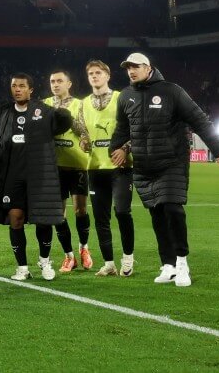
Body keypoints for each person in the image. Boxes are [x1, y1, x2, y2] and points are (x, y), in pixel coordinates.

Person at [110, 53, 219, 287]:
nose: (131, 71)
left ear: (148, 68)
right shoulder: (126, 96)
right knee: (156, 214)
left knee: (173, 209)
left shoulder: (171, 91)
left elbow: (199, 121)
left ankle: (182, 262)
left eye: (136, 67)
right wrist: (116, 150)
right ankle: (168, 265)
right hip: (144, 166)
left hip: (171, 162)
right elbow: (121, 130)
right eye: (128, 68)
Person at [0, 74, 72, 281]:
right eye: (14, 86)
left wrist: (63, 114)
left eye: (22, 86)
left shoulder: (42, 111)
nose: (17, 89)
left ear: (31, 89)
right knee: (15, 219)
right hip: (12, 176)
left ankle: (45, 262)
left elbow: (62, 123)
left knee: (43, 221)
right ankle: (22, 267)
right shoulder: (3, 112)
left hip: (39, 174)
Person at [80, 60, 135, 277]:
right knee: (101, 218)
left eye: (98, 73)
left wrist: (126, 148)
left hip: (120, 166)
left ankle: (128, 258)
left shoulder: (121, 98)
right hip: (95, 167)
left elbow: (135, 126)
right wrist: (84, 141)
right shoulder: (84, 103)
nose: (94, 76)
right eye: (91, 73)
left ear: (108, 75)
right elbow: (83, 131)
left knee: (122, 211)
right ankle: (109, 263)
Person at [44, 70, 91, 273]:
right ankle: (68, 256)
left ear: (69, 83)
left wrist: (84, 138)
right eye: (52, 81)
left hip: (77, 165)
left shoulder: (79, 104)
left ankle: (84, 248)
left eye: (59, 81)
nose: (55, 84)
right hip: (54, 167)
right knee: (58, 214)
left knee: (80, 210)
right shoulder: (45, 104)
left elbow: (85, 131)